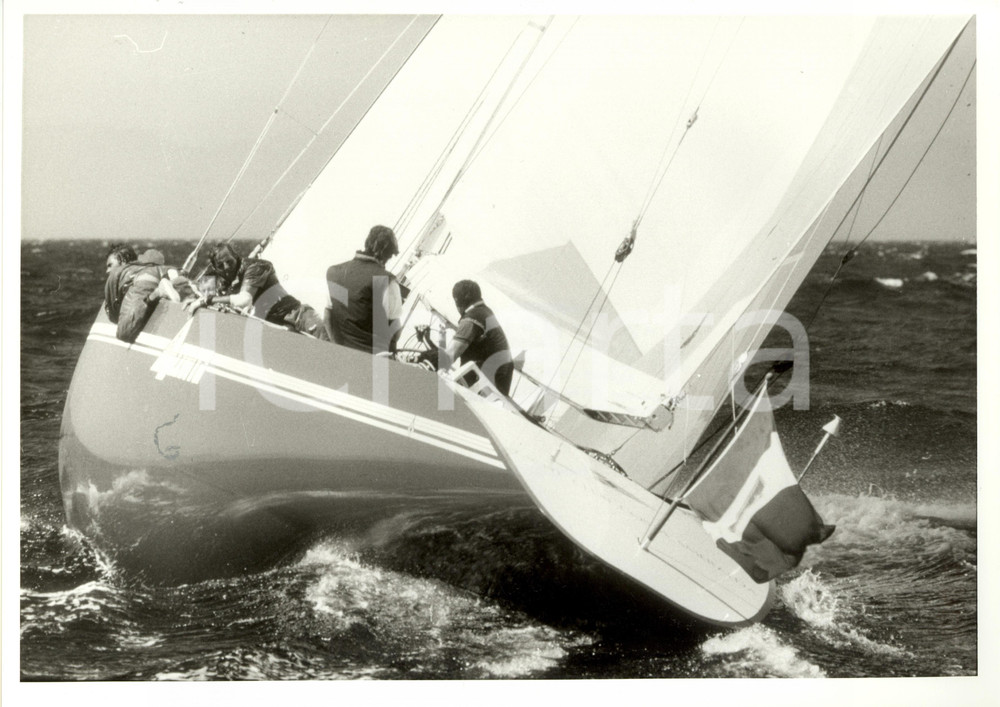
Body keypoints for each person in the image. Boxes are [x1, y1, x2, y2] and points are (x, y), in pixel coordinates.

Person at [184, 242, 327, 340]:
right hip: (272, 328)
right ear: (215, 268)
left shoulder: (256, 267)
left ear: (237, 257)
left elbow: (244, 299)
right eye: (221, 265)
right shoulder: (219, 279)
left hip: (297, 317)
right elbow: (201, 293)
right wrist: (194, 297)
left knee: (331, 349)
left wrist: (206, 300)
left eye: (230, 262)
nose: (227, 267)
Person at [325, 225, 403, 354]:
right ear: (385, 254)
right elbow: (395, 331)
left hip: (341, 352)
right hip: (372, 360)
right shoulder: (386, 281)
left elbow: (328, 316)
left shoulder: (334, 273)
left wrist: (336, 347)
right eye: (389, 257)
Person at [443, 279, 513, 396]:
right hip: (498, 382)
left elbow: (450, 354)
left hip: (483, 385)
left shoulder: (471, 318)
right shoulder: (485, 312)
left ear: (457, 300)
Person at [104, 249, 192, 342]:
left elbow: (124, 332)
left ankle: (159, 291)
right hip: (175, 277)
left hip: (149, 284)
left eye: (110, 265)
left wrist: (154, 295)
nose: (107, 271)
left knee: (124, 331)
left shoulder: (137, 277)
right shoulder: (158, 269)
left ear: (123, 262)